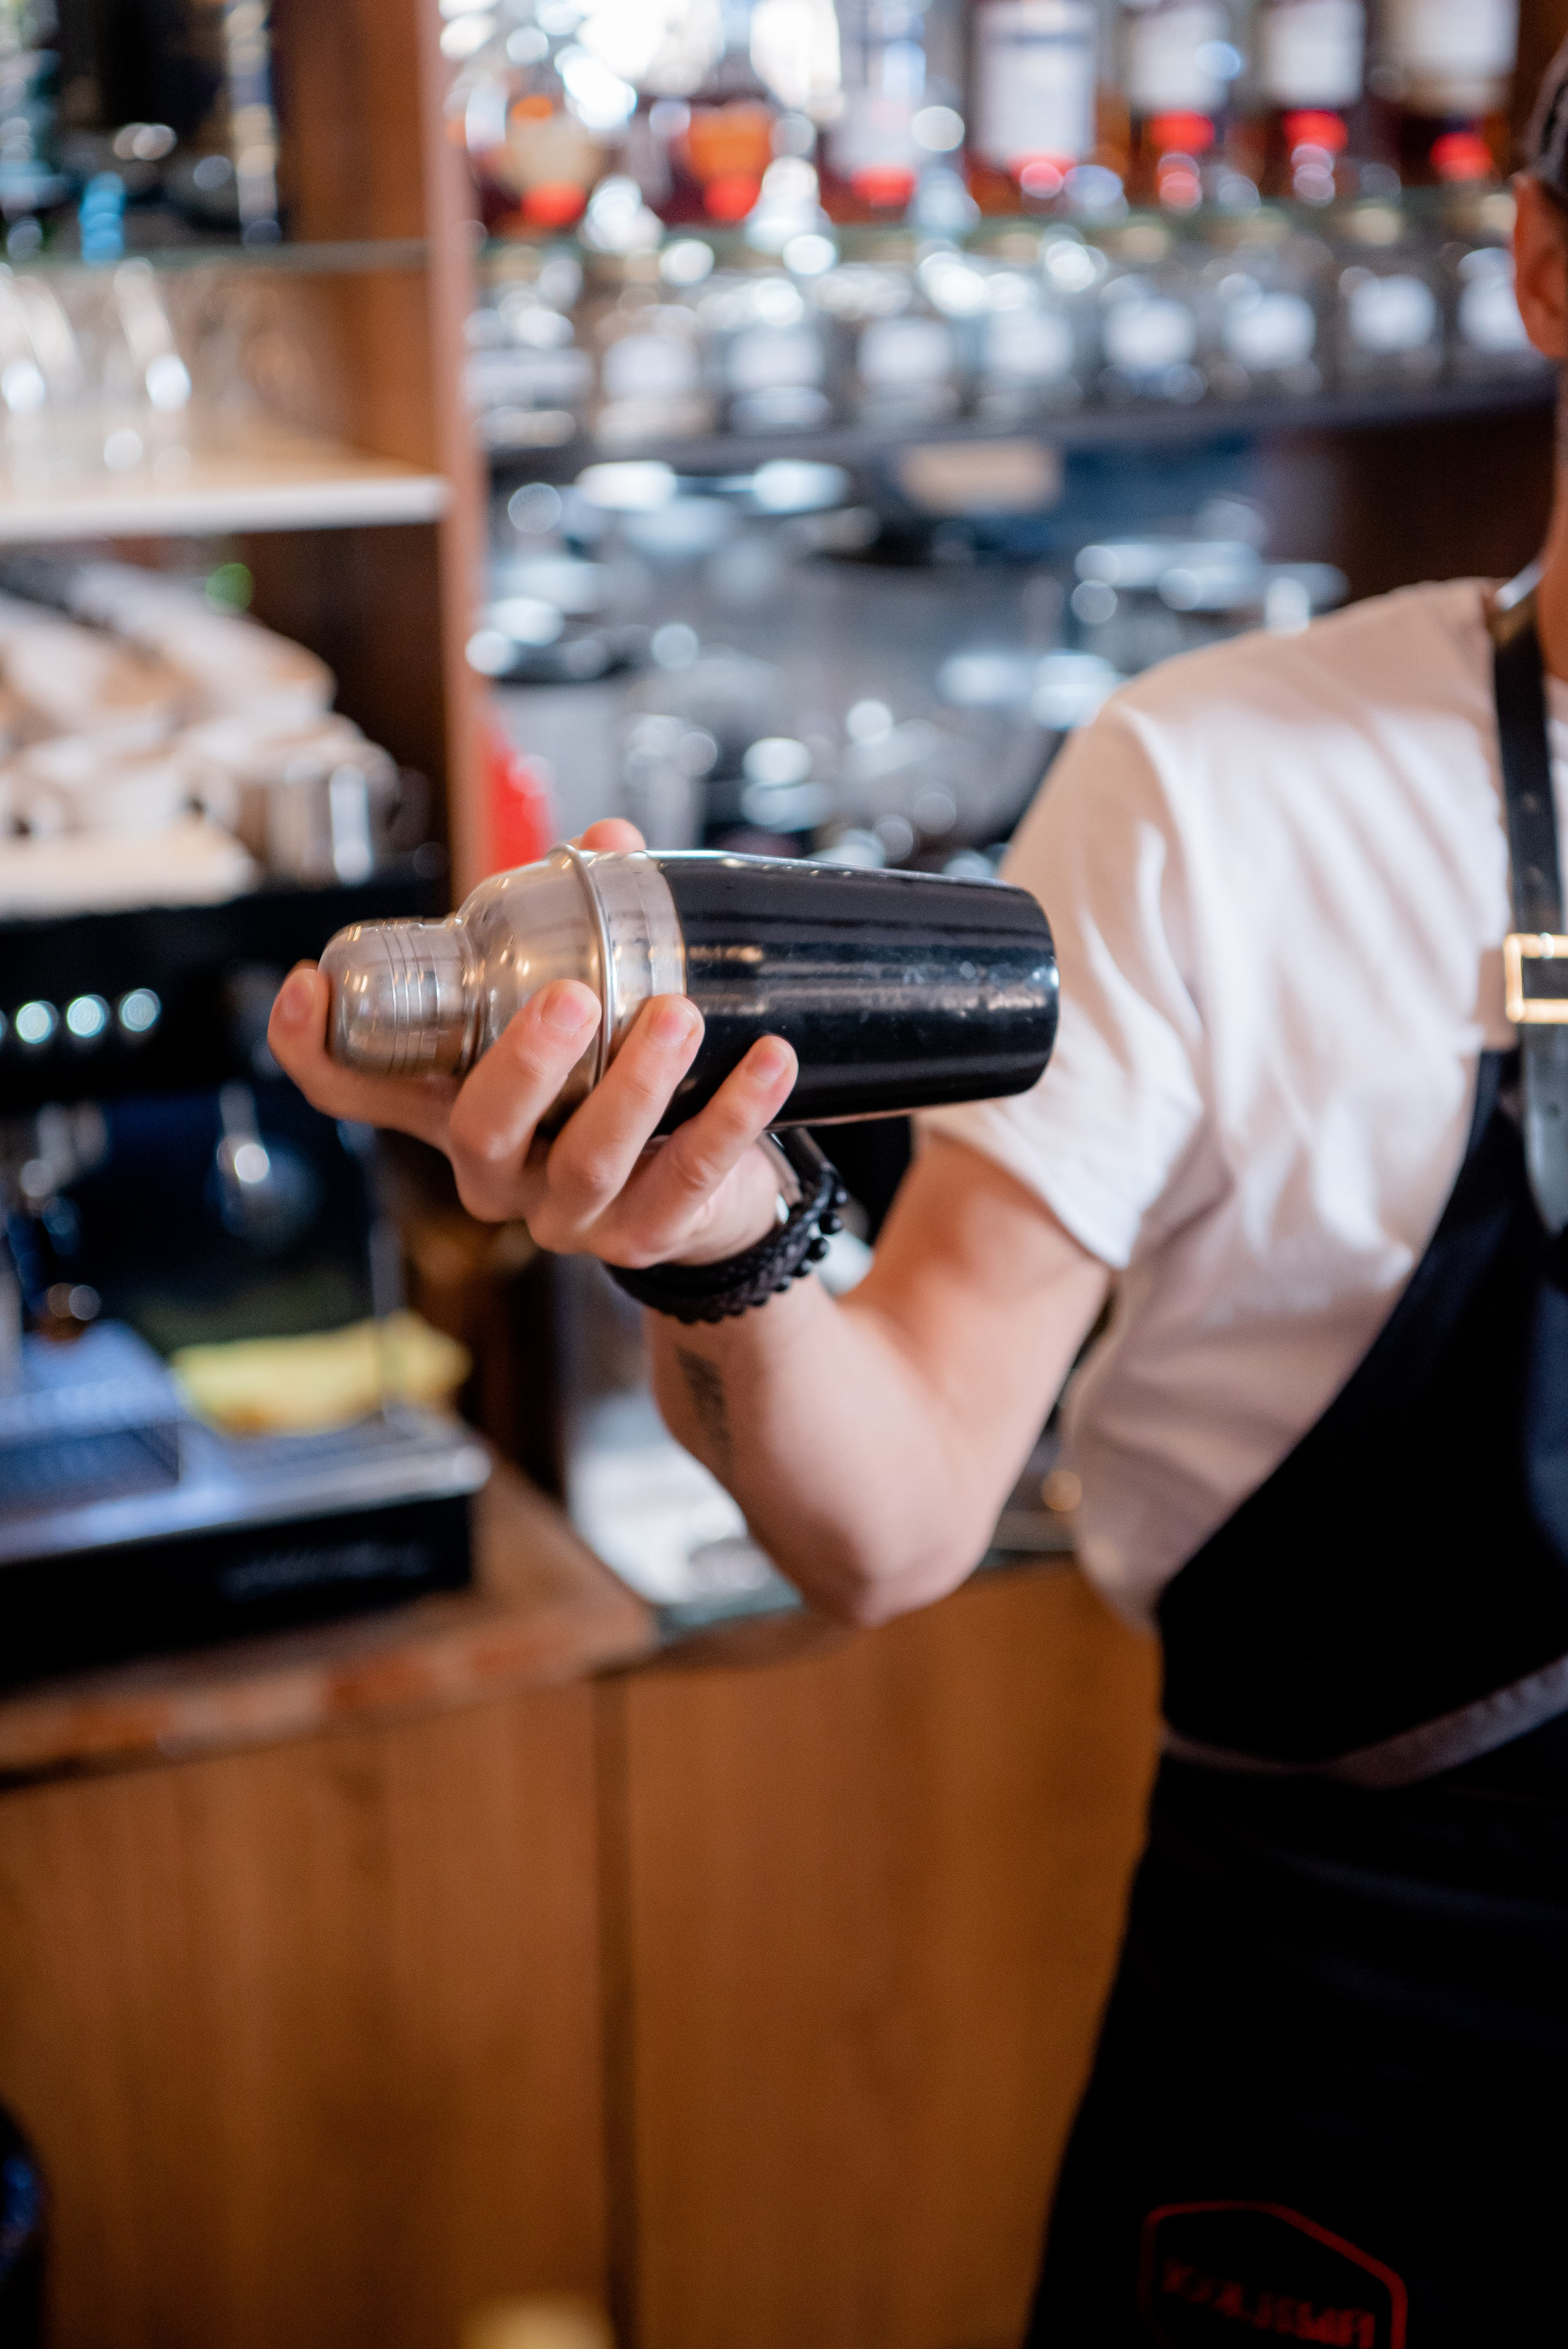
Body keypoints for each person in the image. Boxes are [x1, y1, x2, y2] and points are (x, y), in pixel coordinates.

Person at [269, 59, 1568, 2345]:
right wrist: (722, 1240)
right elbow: (890, 1524)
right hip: (1360, 2057)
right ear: (1546, 271)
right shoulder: (1222, 791)